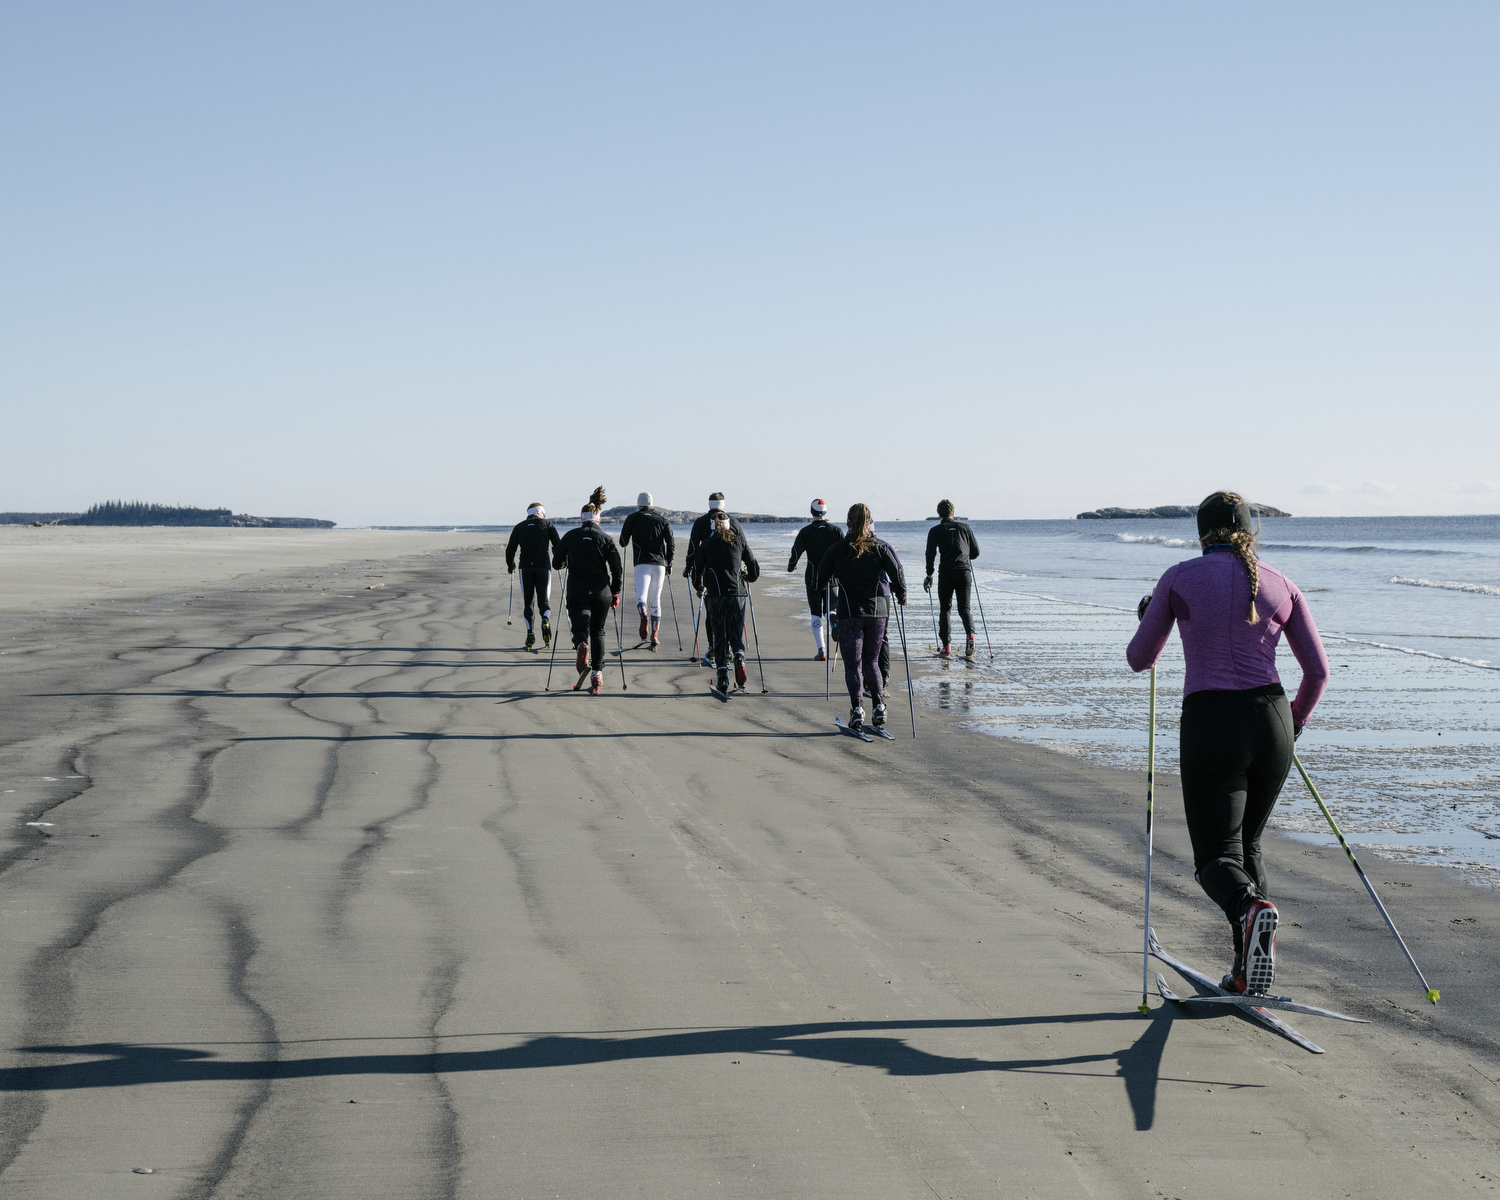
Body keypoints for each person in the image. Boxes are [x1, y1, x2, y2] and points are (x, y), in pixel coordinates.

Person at [1126, 490, 1330, 995]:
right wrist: (1295, 725)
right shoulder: (1282, 584)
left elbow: (1139, 658)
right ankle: (1248, 969)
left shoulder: (1180, 577)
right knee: (1249, 843)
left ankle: (1250, 907)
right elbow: (1319, 672)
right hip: (1274, 721)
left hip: (1212, 722)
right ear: (1251, 531)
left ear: (1202, 534)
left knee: (1216, 858)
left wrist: (1151, 614)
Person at [815, 504, 907, 732]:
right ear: (869, 523)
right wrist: (902, 593)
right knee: (871, 662)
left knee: (853, 665)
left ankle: (857, 709)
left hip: (849, 612)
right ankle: (878, 707)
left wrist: (826, 585)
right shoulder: (880, 548)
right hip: (877, 612)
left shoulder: (837, 548)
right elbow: (897, 572)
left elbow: (819, 579)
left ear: (848, 522)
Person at [553, 499, 624, 695]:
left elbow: (556, 562)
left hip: (577, 590)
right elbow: (617, 570)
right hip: (602, 592)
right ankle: (597, 673)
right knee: (598, 631)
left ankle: (581, 644)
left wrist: (565, 562)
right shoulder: (606, 538)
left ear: (581, 518)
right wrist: (615, 591)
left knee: (580, 625)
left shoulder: (570, 536)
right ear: (598, 518)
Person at [692, 509, 761, 695]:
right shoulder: (739, 542)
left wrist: (699, 588)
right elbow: (754, 567)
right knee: (735, 634)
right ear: (730, 526)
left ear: (713, 527)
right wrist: (748, 577)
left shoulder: (706, 544)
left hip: (715, 595)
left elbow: (696, 572)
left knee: (720, 636)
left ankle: (722, 677)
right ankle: (739, 656)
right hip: (738, 595)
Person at [684, 494, 745, 667]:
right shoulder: (734, 522)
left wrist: (690, 568)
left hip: (709, 574)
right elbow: (744, 546)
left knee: (712, 613)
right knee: (731, 616)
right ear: (723, 505)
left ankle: (713, 649)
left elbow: (693, 549)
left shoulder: (700, 522)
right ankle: (730, 651)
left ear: (709, 504)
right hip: (733, 577)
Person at [787, 498, 843, 660]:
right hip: (832, 578)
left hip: (813, 577)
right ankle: (833, 621)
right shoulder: (836, 531)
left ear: (812, 512)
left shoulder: (806, 532)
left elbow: (796, 552)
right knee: (831, 609)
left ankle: (822, 650)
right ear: (825, 512)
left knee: (815, 613)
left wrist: (791, 566)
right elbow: (844, 552)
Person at [618, 492, 675, 650]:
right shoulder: (662, 520)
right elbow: (671, 543)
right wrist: (669, 563)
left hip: (642, 563)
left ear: (639, 504)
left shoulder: (632, 518)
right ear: (651, 504)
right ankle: (655, 636)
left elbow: (623, 542)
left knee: (641, 597)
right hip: (660, 564)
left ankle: (644, 616)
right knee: (656, 599)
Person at [924, 500, 980, 658]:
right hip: (964, 572)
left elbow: (930, 554)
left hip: (947, 573)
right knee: (965, 609)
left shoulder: (935, 530)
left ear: (939, 514)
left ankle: (947, 647)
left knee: (945, 609)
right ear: (953, 513)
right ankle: (970, 636)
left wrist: (929, 574)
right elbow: (975, 553)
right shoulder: (965, 528)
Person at [505, 503, 561, 650]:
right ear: (541, 513)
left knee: (528, 602)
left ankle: (530, 634)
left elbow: (510, 550)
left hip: (525, 568)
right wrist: (560, 562)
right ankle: (545, 619)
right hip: (543, 566)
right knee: (544, 600)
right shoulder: (547, 524)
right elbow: (558, 546)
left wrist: (510, 566)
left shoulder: (519, 526)